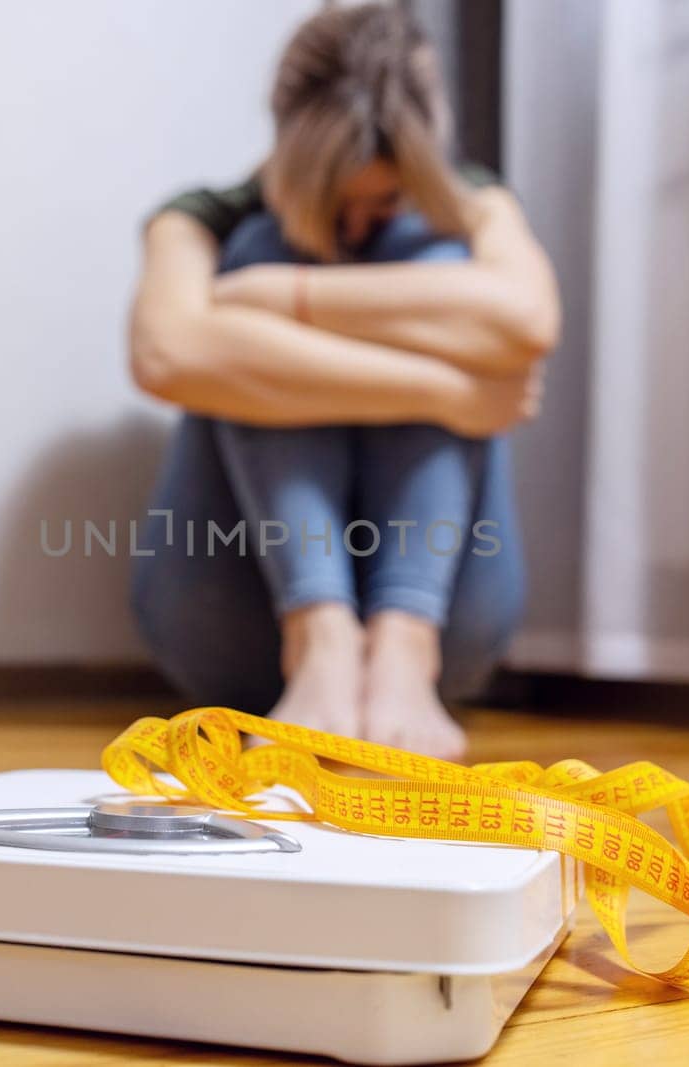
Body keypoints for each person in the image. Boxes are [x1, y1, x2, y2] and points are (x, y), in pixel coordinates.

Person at [127, 3, 559, 759]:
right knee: (260, 244)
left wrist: (281, 300)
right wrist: (445, 390)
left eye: (384, 201)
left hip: (452, 626)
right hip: (233, 628)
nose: (358, 228)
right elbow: (166, 356)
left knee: (439, 254)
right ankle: (318, 635)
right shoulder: (199, 220)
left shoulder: (478, 205)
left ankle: (403, 644)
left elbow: (526, 323)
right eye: (337, 204)